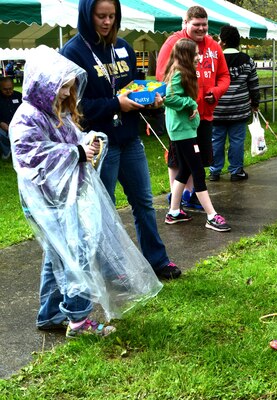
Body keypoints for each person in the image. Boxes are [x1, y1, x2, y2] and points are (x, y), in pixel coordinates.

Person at [10, 45, 163, 337]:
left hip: (62, 196)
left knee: (58, 254)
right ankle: (79, 321)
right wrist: (77, 152)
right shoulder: (27, 117)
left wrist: (89, 141)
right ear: (44, 84)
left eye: (69, 87)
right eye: (62, 87)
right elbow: (31, 157)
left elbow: (73, 139)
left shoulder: (53, 112)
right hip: (48, 199)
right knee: (75, 253)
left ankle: (50, 313)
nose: (68, 94)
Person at [61, 0, 181, 280]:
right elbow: (76, 106)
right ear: (87, 14)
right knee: (103, 209)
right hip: (100, 145)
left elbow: (133, 86)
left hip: (129, 138)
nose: (106, 22)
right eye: (101, 16)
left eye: (112, 16)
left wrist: (149, 100)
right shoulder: (73, 52)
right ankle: (107, 268)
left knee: (144, 203)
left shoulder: (124, 48)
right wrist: (117, 104)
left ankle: (157, 260)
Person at [156, 6, 230, 210]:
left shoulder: (214, 46)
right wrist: (187, 101)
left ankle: (188, 196)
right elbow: (163, 79)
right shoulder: (174, 42)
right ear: (186, 23)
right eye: (196, 24)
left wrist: (215, 91)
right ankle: (178, 198)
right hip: (181, 117)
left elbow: (225, 76)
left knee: (199, 158)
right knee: (178, 159)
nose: (201, 28)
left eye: (204, 25)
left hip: (204, 113)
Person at [163, 39, 231, 232]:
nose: (198, 57)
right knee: (198, 170)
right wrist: (191, 104)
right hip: (182, 131)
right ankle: (211, 216)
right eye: (195, 54)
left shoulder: (183, 72)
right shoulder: (178, 73)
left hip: (186, 129)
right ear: (186, 56)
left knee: (185, 170)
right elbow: (170, 98)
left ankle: (174, 212)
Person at [209, 25, 260, 182]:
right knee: (237, 141)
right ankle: (236, 171)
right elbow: (254, 85)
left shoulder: (214, 60)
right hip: (239, 108)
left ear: (222, 41)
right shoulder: (248, 61)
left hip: (217, 108)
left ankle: (214, 171)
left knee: (216, 140)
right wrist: (255, 103)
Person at [0, 77, 22, 159]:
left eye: (10, 88)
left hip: (19, 123)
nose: (8, 91)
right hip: (4, 125)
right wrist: (1, 123)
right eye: (5, 89)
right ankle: (7, 151)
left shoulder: (19, 96)